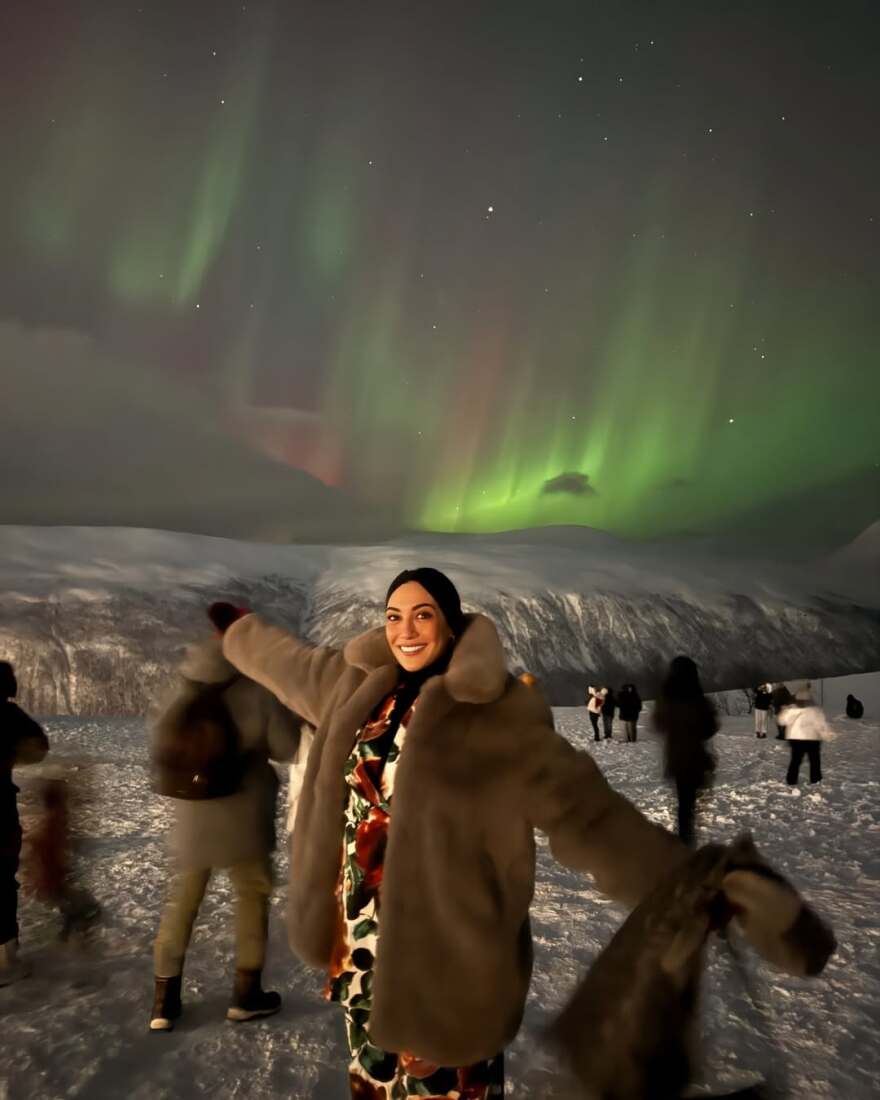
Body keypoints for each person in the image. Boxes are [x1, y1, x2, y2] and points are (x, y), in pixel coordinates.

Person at [208, 568, 690, 1099]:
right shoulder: (360, 686)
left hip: (447, 956)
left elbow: (582, 807)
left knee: (443, 1088)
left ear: (451, 624)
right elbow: (293, 666)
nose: (406, 631)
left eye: (423, 615)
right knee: (374, 1082)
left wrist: (674, 878)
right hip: (363, 941)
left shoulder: (492, 711)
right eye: (394, 616)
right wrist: (241, 632)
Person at [149, 625, 302, 1031]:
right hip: (244, 815)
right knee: (251, 897)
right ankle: (246, 995)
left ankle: (164, 1001)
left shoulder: (183, 685)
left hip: (193, 815)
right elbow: (287, 747)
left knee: (182, 902)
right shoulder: (256, 688)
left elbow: (159, 741)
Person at [1, 660, 49, 985]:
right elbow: (39, 749)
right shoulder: (10, 716)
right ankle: (4, 958)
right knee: (2, 880)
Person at [651, 656, 719, 848]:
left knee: (684, 804)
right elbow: (710, 728)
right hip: (696, 757)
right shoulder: (699, 699)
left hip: (676, 757)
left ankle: (684, 841)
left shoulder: (666, 699)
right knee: (689, 805)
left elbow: (658, 724)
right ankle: (686, 843)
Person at [778, 695, 833, 786]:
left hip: (796, 739)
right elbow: (820, 725)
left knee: (795, 761)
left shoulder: (792, 710)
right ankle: (815, 779)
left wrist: (785, 710)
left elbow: (782, 721)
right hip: (812, 739)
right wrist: (827, 735)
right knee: (814, 760)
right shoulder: (814, 710)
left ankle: (791, 780)